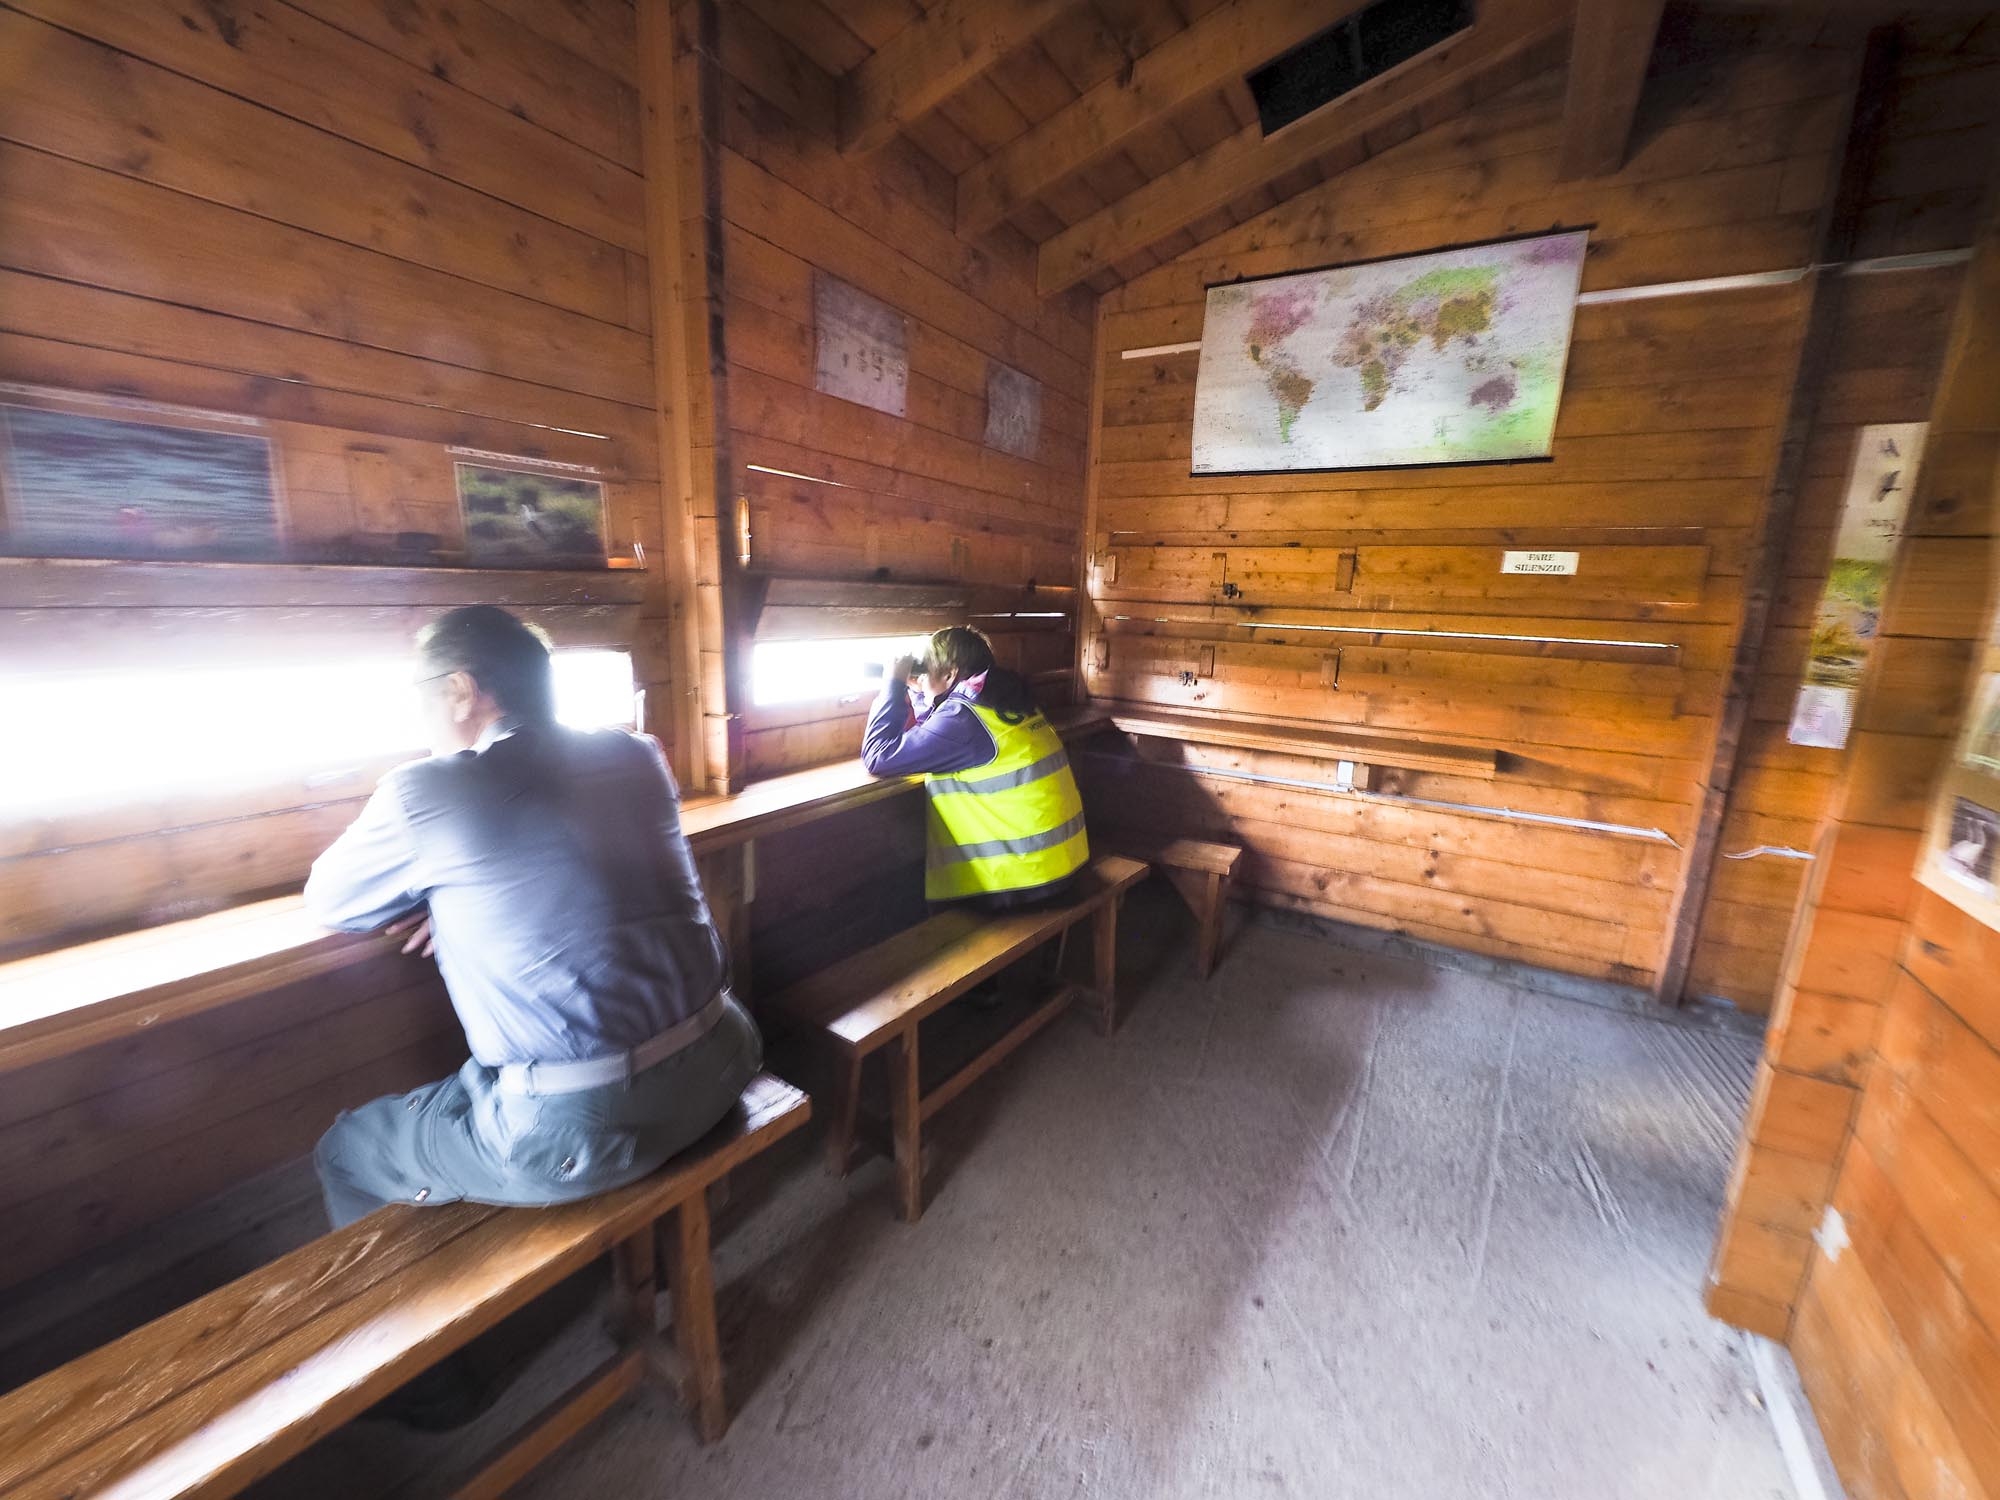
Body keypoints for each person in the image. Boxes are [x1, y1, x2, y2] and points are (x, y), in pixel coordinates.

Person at [304, 605, 761, 1233]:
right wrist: (459, 895)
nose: (421, 718)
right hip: (725, 1055)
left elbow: (329, 900)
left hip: (588, 1126)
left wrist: (444, 893)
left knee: (345, 1150)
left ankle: (421, 1323)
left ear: (461, 690)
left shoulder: (425, 791)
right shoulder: (636, 755)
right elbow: (573, 868)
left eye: (422, 696)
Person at [860, 625, 1088, 909]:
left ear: (950, 674)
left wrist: (892, 684)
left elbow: (877, 755)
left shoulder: (963, 719)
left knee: (896, 899)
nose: (921, 676)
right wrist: (922, 692)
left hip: (1022, 882)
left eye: (926, 669)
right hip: (1062, 865)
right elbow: (937, 732)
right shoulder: (1008, 701)